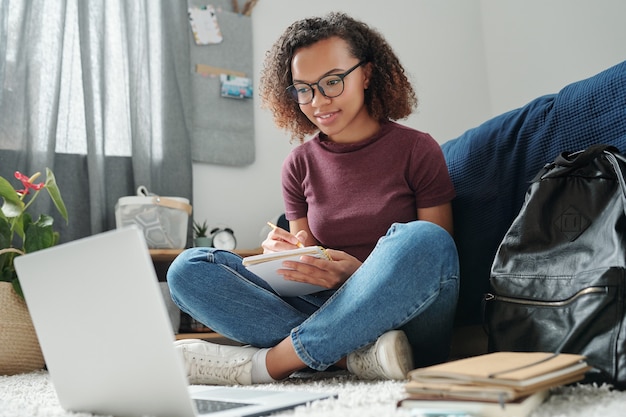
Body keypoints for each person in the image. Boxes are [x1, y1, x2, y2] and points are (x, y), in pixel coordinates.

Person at [167, 12, 459, 386]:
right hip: (332, 311)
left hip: (406, 317)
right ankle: (349, 359)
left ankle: (270, 363)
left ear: (367, 73)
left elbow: (435, 262)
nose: (318, 101)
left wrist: (356, 273)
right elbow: (308, 258)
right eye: (303, 88)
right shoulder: (299, 164)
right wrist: (283, 256)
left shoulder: (417, 149)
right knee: (188, 269)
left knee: (424, 239)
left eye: (332, 82)